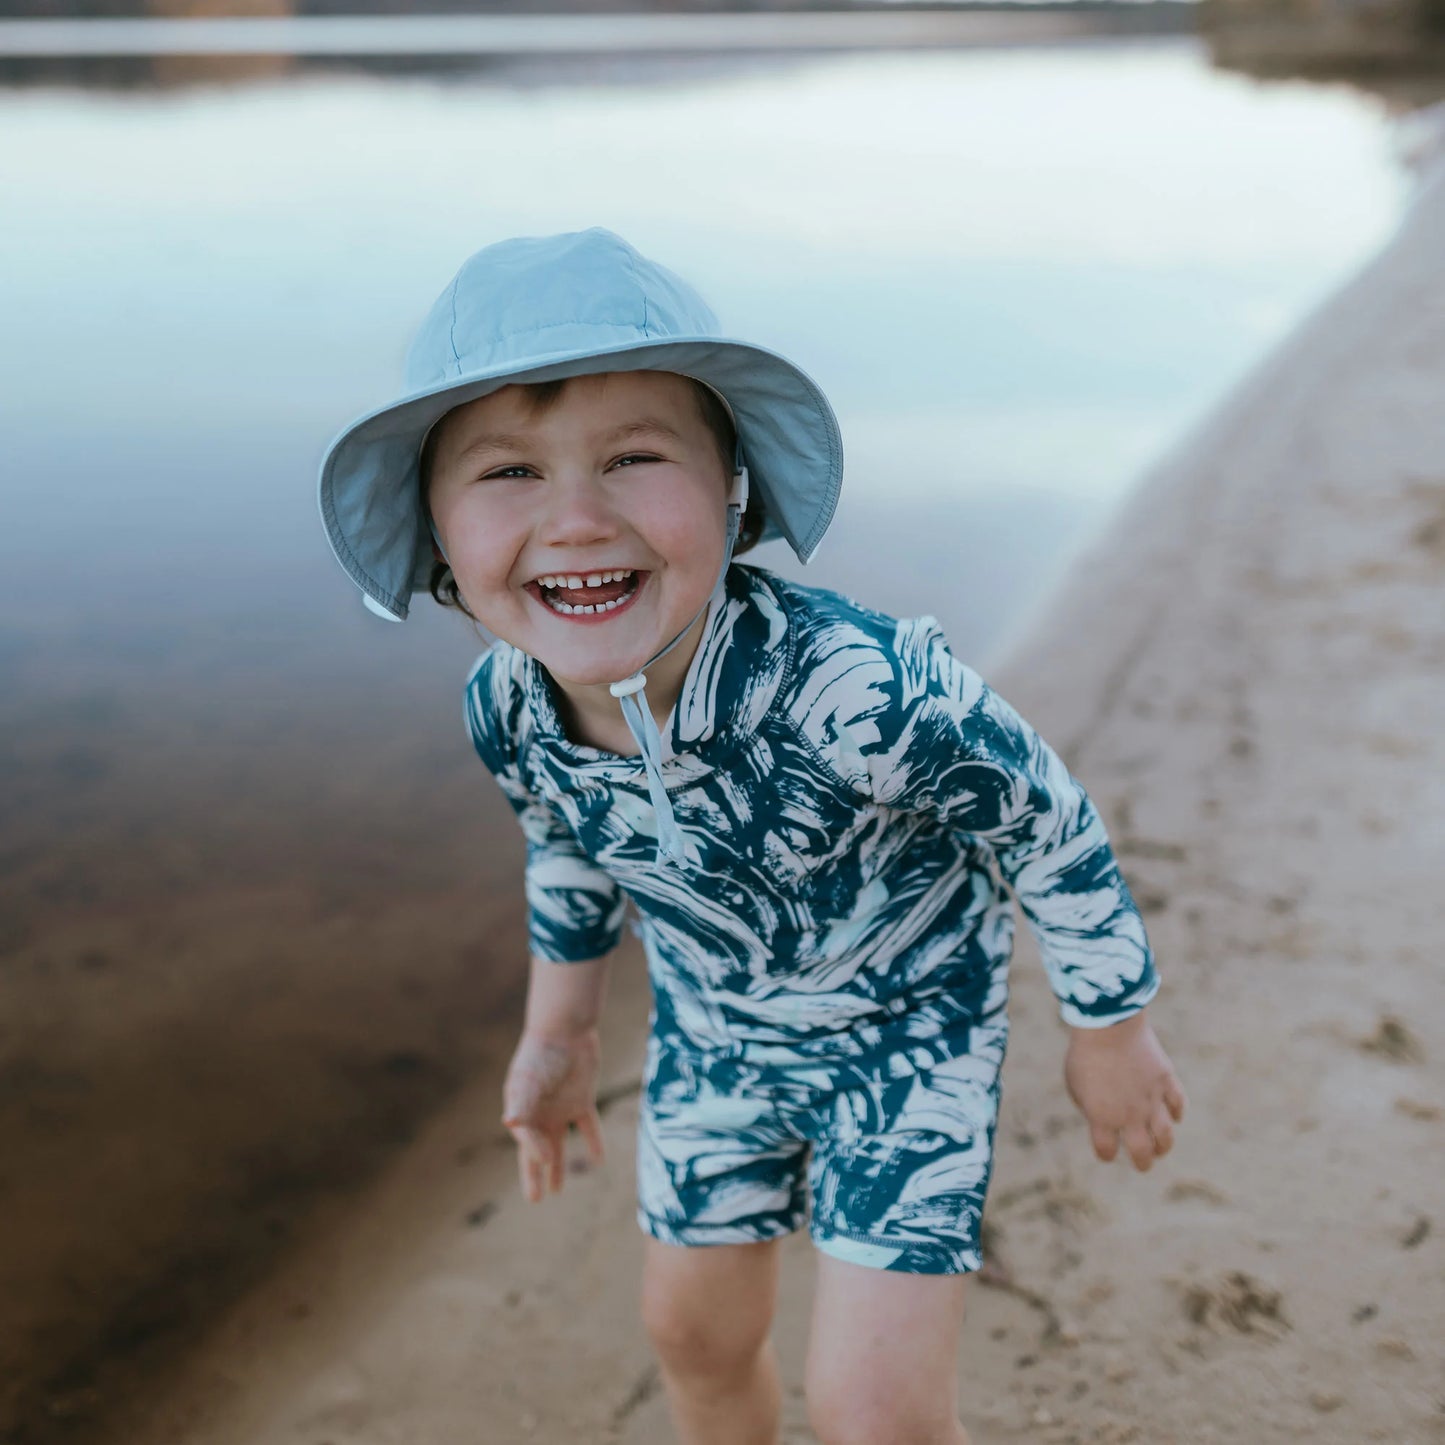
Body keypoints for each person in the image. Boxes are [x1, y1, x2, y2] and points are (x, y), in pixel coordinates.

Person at [318, 227, 1186, 1445]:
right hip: (715, 1040)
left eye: (632, 457)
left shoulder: (859, 691)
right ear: (436, 537)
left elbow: (1044, 821)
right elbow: (565, 849)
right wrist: (558, 1034)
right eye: (507, 473)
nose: (574, 519)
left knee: (871, 1409)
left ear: (730, 489)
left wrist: (1111, 1025)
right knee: (693, 1335)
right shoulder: (507, 707)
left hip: (907, 1036)